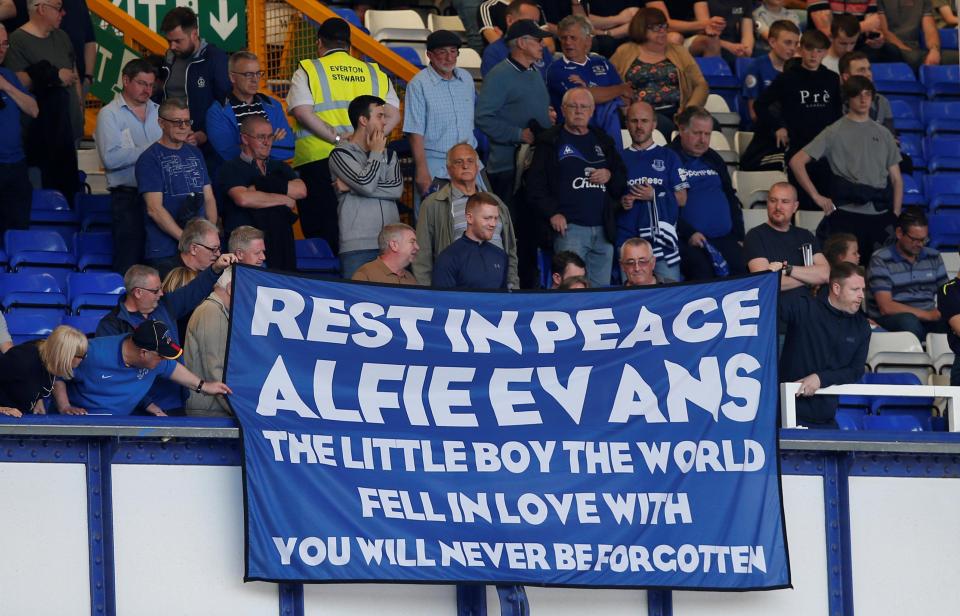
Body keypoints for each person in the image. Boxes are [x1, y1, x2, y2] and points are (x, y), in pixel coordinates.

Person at [287, 17, 400, 252]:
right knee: (364, 229)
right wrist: (369, 141)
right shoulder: (374, 72)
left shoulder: (309, 69)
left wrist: (338, 140)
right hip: (367, 159)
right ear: (350, 45)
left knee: (323, 232)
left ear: (320, 43)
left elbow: (302, 111)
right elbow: (394, 115)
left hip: (319, 160)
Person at [96, 254, 237, 413]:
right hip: (137, 411)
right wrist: (148, 404)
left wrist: (215, 268)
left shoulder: (165, 306)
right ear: (138, 293)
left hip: (175, 403)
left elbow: (193, 290)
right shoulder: (111, 325)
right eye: (156, 290)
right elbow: (112, 374)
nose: (161, 294)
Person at [790, 76, 902, 261]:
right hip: (846, 214)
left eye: (867, 94)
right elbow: (796, 161)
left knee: (879, 274)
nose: (863, 99)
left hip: (880, 214)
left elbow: (897, 179)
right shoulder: (834, 131)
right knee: (843, 272)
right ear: (848, 98)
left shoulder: (884, 133)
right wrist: (816, 197)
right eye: (857, 95)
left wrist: (896, 212)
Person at [475, 19, 551, 288]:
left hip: (532, 168)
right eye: (537, 40)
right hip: (508, 170)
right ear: (522, 43)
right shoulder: (499, 75)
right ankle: (511, 290)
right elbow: (483, 118)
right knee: (513, 236)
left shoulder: (533, 72)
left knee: (530, 236)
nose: (543, 45)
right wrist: (518, 134)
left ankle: (529, 288)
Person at [526, 88, 627, 288]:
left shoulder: (603, 140)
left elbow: (621, 180)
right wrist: (552, 213)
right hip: (569, 230)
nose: (578, 111)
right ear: (563, 110)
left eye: (584, 107)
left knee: (600, 294)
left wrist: (609, 175)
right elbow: (534, 186)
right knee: (570, 289)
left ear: (592, 111)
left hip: (603, 229)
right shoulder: (550, 141)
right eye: (573, 106)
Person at [55, 320, 231, 417]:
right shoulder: (91, 352)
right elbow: (57, 372)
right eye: (161, 356)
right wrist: (65, 406)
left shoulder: (154, 361)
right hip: (83, 425)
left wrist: (204, 386)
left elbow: (172, 368)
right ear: (144, 353)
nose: (163, 360)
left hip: (121, 427)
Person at [3, 0, 81, 204]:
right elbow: (15, 80)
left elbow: (74, 74)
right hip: (40, 134)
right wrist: (53, 75)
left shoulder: (62, 36)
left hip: (69, 128)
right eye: (57, 7)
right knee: (41, 199)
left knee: (69, 195)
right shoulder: (18, 40)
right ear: (41, 8)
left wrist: (79, 107)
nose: (63, 13)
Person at [745, 29, 841, 191]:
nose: (813, 55)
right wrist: (777, 127)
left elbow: (836, 113)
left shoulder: (832, 79)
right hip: (797, 144)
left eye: (819, 51)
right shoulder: (788, 78)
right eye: (809, 49)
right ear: (801, 49)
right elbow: (760, 104)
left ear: (825, 53)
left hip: (824, 147)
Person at [780, 262, 871, 428]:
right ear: (836, 289)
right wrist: (772, 275)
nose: (861, 296)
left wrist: (820, 378)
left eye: (862, 290)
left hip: (827, 418)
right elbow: (763, 304)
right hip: (785, 414)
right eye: (855, 289)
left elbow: (856, 370)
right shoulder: (803, 308)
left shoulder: (862, 326)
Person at [414, 143, 518, 287]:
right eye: (459, 162)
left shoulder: (496, 202)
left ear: (477, 167)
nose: (465, 166)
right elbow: (421, 257)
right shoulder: (434, 204)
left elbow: (511, 251)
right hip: (457, 290)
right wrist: (427, 298)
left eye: (470, 161)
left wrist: (512, 288)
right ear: (448, 169)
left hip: (497, 290)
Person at [136, 97, 218, 279]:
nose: (183, 126)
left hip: (200, 251)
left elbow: (209, 197)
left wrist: (209, 237)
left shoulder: (196, 153)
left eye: (187, 122)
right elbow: (154, 209)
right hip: (164, 252)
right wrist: (187, 240)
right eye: (177, 122)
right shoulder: (149, 159)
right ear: (161, 123)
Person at [95, 58, 161, 275]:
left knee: (157, 260)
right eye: (142, 83)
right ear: (125, 80)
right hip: (127, 198)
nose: (148, 90)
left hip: (160, 197)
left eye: (151, 85)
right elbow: (110, 159)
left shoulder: (161, 112)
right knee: (129, 262)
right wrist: (154, 148)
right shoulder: (109, 114)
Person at [217, 115, 304, 272]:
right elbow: (243, 198)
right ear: (244, 138)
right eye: (261, 137)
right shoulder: (230, 168)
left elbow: (301, 190)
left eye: (270, 136)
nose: (267, 142)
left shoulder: (279, 167)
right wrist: (284, 198)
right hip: (245, 250)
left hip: (281, 247)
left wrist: (259, 186)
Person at [329, 95, 403, 279]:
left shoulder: (391, 154)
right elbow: (367, 185)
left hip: (391, 245)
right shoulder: (340, 154)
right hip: (358, 247)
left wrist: (352, 187)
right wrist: (376, 153)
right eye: (379, 116)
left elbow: (396, 189)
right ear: (363, 120)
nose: (385, 122)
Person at [669, 106, 746, 280]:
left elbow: (730, 196)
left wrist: (739, 236)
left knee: (742, 271)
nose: (703, 140)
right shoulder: (669, 158)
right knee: (703, 273)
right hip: (688, 240)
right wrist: (688, 233)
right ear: (682, 130)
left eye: (707, 134)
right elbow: (665, 205)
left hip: (726, 238)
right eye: (697, 133)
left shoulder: (714, 158)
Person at [404, 30, 479, 203]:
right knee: (434, 220)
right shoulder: (418, 84)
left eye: (453, 51)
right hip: (436, 163)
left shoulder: (466, 79)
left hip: (469, 161)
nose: (449, 57)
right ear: (429, 55)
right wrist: (422, 171)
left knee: (471, 218)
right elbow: (415, 132)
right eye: (442, 52)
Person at [609, 8, 709, 137]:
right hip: (640, 114)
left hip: (676, 112)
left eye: (663, 26)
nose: (662, 31)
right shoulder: (625, 51)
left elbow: (701, 84)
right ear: (641, 28)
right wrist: (623, 104)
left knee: (710, 124)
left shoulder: (679, 52)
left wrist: (689, 109)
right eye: (655, 28)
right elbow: (608, 80)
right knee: (662, 125)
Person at [618, 101, 688, 283]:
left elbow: (682, 199)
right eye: (634, 121)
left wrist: (654, 195)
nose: (639, 126)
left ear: (654, 124)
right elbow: (609, 198)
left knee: (669, 297)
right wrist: (623, 201)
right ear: (627, 124)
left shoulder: (669, 157)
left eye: (644, 121)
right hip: (628, 240)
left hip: (662, 242)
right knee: (628, 299)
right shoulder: (618, 158)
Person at [156, 7, 230, 157]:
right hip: (170, 142)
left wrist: (204, 133)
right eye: (169, 41)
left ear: (194, 34)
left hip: (206, 147)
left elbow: (225, 103)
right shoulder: (169, 59)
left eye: (178, 41)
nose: (172, 46)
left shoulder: (216, 59)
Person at [546, 15, 631, 147]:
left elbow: (626, 97)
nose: (567, 42)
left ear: (587, 41)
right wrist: (619, 90)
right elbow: (585, 97)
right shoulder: (557, 69)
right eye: (563, 38)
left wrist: (610, 95)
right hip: (574, 135)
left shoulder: (602, 62)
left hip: (608, 131)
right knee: (607, 106)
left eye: (573, 38)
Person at [866, 208, 948, 342]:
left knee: (951, 322)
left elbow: (946, 293)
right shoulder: (880, 259)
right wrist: (927, 315)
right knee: (909, 322)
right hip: (892, 318)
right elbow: (886, 307)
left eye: (924, 239)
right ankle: (921, 359)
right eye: (915, 239)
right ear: (899, 233)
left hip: (928, 317)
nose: (920, 244)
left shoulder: (933, 256)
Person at [205, 50, 295, 165]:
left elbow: (288, 149)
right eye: (248, 74)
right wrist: (272, 141)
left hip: (273, 173)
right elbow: (230, 155)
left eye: (258, 73)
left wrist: (250, 145)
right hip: (239, 179)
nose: (255, 79)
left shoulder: (273, 105)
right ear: (232, 77)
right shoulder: (217, 112)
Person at [745, 182, 830, 298]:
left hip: (808, 308)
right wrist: (810, 280)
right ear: (767, 203)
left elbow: (825, 273)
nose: (778, 207)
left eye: (785, 202)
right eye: (773, 200)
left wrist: (787, 269)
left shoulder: (806, 235)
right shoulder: (755, 236)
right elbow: (767, 282)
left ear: (795, 206)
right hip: (776, 309)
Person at [0, 325, 87, 417]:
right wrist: (2, 409)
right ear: (63, 354)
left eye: (84, 354)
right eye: (79, 355)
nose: (82, 359)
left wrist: (37, 399)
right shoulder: (22, 360)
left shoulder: (48, 357)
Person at [0, 23, 37, 238]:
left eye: (4, 44)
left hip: (16, 166)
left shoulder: (9, 76)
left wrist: (6, 87)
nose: (2, 50)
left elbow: (33, 109)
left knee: (18, 234)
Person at [433, 192, 509, 289]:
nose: (493, 224)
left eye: (495, 218)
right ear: (469, 218)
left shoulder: (501, 256)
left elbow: (504, 299)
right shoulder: (448, 257)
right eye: (487, 218)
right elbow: (442, 301)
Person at [184, 269, 233, 417]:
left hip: (211, 407)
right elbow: (215, 370)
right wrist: (236, 411)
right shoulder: (212, 312)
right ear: (230, 288)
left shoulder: (215, 310)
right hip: (210, 411)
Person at [742, 20, 800, 127]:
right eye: (788, 42)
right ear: (772, 42)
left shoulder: (797, 70)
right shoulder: (756, 67)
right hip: (765, 130)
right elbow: (753, 114)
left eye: (796, 43)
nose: (793, 48)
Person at [480, 0, 553, 78]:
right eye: (530, 22)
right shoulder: (494, 53)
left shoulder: (542, 49)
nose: (535, 27)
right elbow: (495, 87)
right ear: (510, 20)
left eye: (537, 23)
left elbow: (552, 82)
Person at [877, 0, 959, 68]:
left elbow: (930, 28)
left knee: (956, 58)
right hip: (890, 48)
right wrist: (909, 53)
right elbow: (885, 31)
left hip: (915, 51)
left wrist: (934, 50)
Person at [353, 223, 421, 285]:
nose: (417, 247)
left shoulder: (411, 278)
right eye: (412, 242)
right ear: (394, 245)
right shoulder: (366, 275)